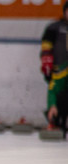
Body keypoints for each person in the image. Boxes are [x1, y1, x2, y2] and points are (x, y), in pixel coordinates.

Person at [43, 4, 68, 134]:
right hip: (59, 69)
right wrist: (46, 62)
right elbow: (46, 46)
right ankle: (55, 118)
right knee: (56, 92)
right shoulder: (55, 27)